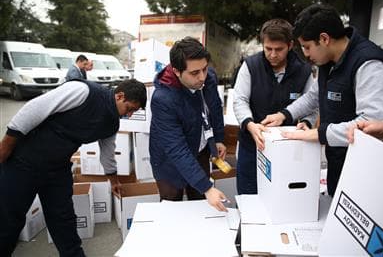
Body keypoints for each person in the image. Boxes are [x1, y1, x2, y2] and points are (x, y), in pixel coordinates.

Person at [261, 4, 383, 196]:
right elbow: (313, 97)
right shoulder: (328, 62)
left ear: (324, 39)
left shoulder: (369, 64)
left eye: (307, 47)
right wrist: (284, 115)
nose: (306, 54)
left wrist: (319, 134)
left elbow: (372, 124)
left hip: (365, 171)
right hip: (338, 161)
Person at [0, 79, 147, 256]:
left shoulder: (112, 123)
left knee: (64, 220)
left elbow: (108, 153)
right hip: (24, 162)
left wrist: (113, 180)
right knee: (9, 220)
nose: (129, 115)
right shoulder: (83, 91)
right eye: (130, 109)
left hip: (57, 168)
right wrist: (6, 146)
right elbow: (33, 109)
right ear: (120, 96)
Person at [233, 18, 315, 194]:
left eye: (279, 49)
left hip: (288, 149)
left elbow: (313, 104)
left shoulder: (303, 70)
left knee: (283, 197)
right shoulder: (250, 66)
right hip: (252, 146)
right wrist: (249, 124)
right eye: (268, 48)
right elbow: (239, 100)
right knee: (249, 198)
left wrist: (307, 122)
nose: (272, 54)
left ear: (290, 45)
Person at [149, 37, 228, 212]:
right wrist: (207, 187)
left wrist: (219, 139)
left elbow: (214, 107)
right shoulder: (163, 99)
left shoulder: (208, 77)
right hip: (170, 160)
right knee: (172, 205)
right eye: (194, 73)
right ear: (177, 71)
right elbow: (176, 148)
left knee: (200, 203)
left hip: (199, 149)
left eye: (205, 69)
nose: (202, 77)